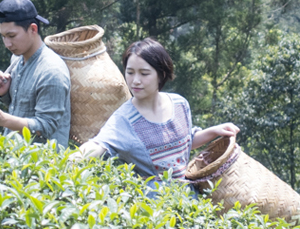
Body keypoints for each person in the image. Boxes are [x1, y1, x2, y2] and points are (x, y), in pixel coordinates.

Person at [77, 38, 238, 185]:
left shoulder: (180, 104)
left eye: (144, 73)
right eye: (130, 72)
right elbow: (99, 144)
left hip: (189, 198)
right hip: (154, 207)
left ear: (161, 75)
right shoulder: (124, 119)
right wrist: (72, 160)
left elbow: (185, 141)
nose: (135, 81)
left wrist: (215, 131)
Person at [0, 0, 71, 146]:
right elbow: (21, 107)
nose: (7, 44)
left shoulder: (52, 71)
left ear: (33, 29)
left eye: (12, 36)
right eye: (3, 37)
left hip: (42, 164)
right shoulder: (17, 59)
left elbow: (46, 127)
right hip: (16, 158)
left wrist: (5, 120)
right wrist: (4, 93)